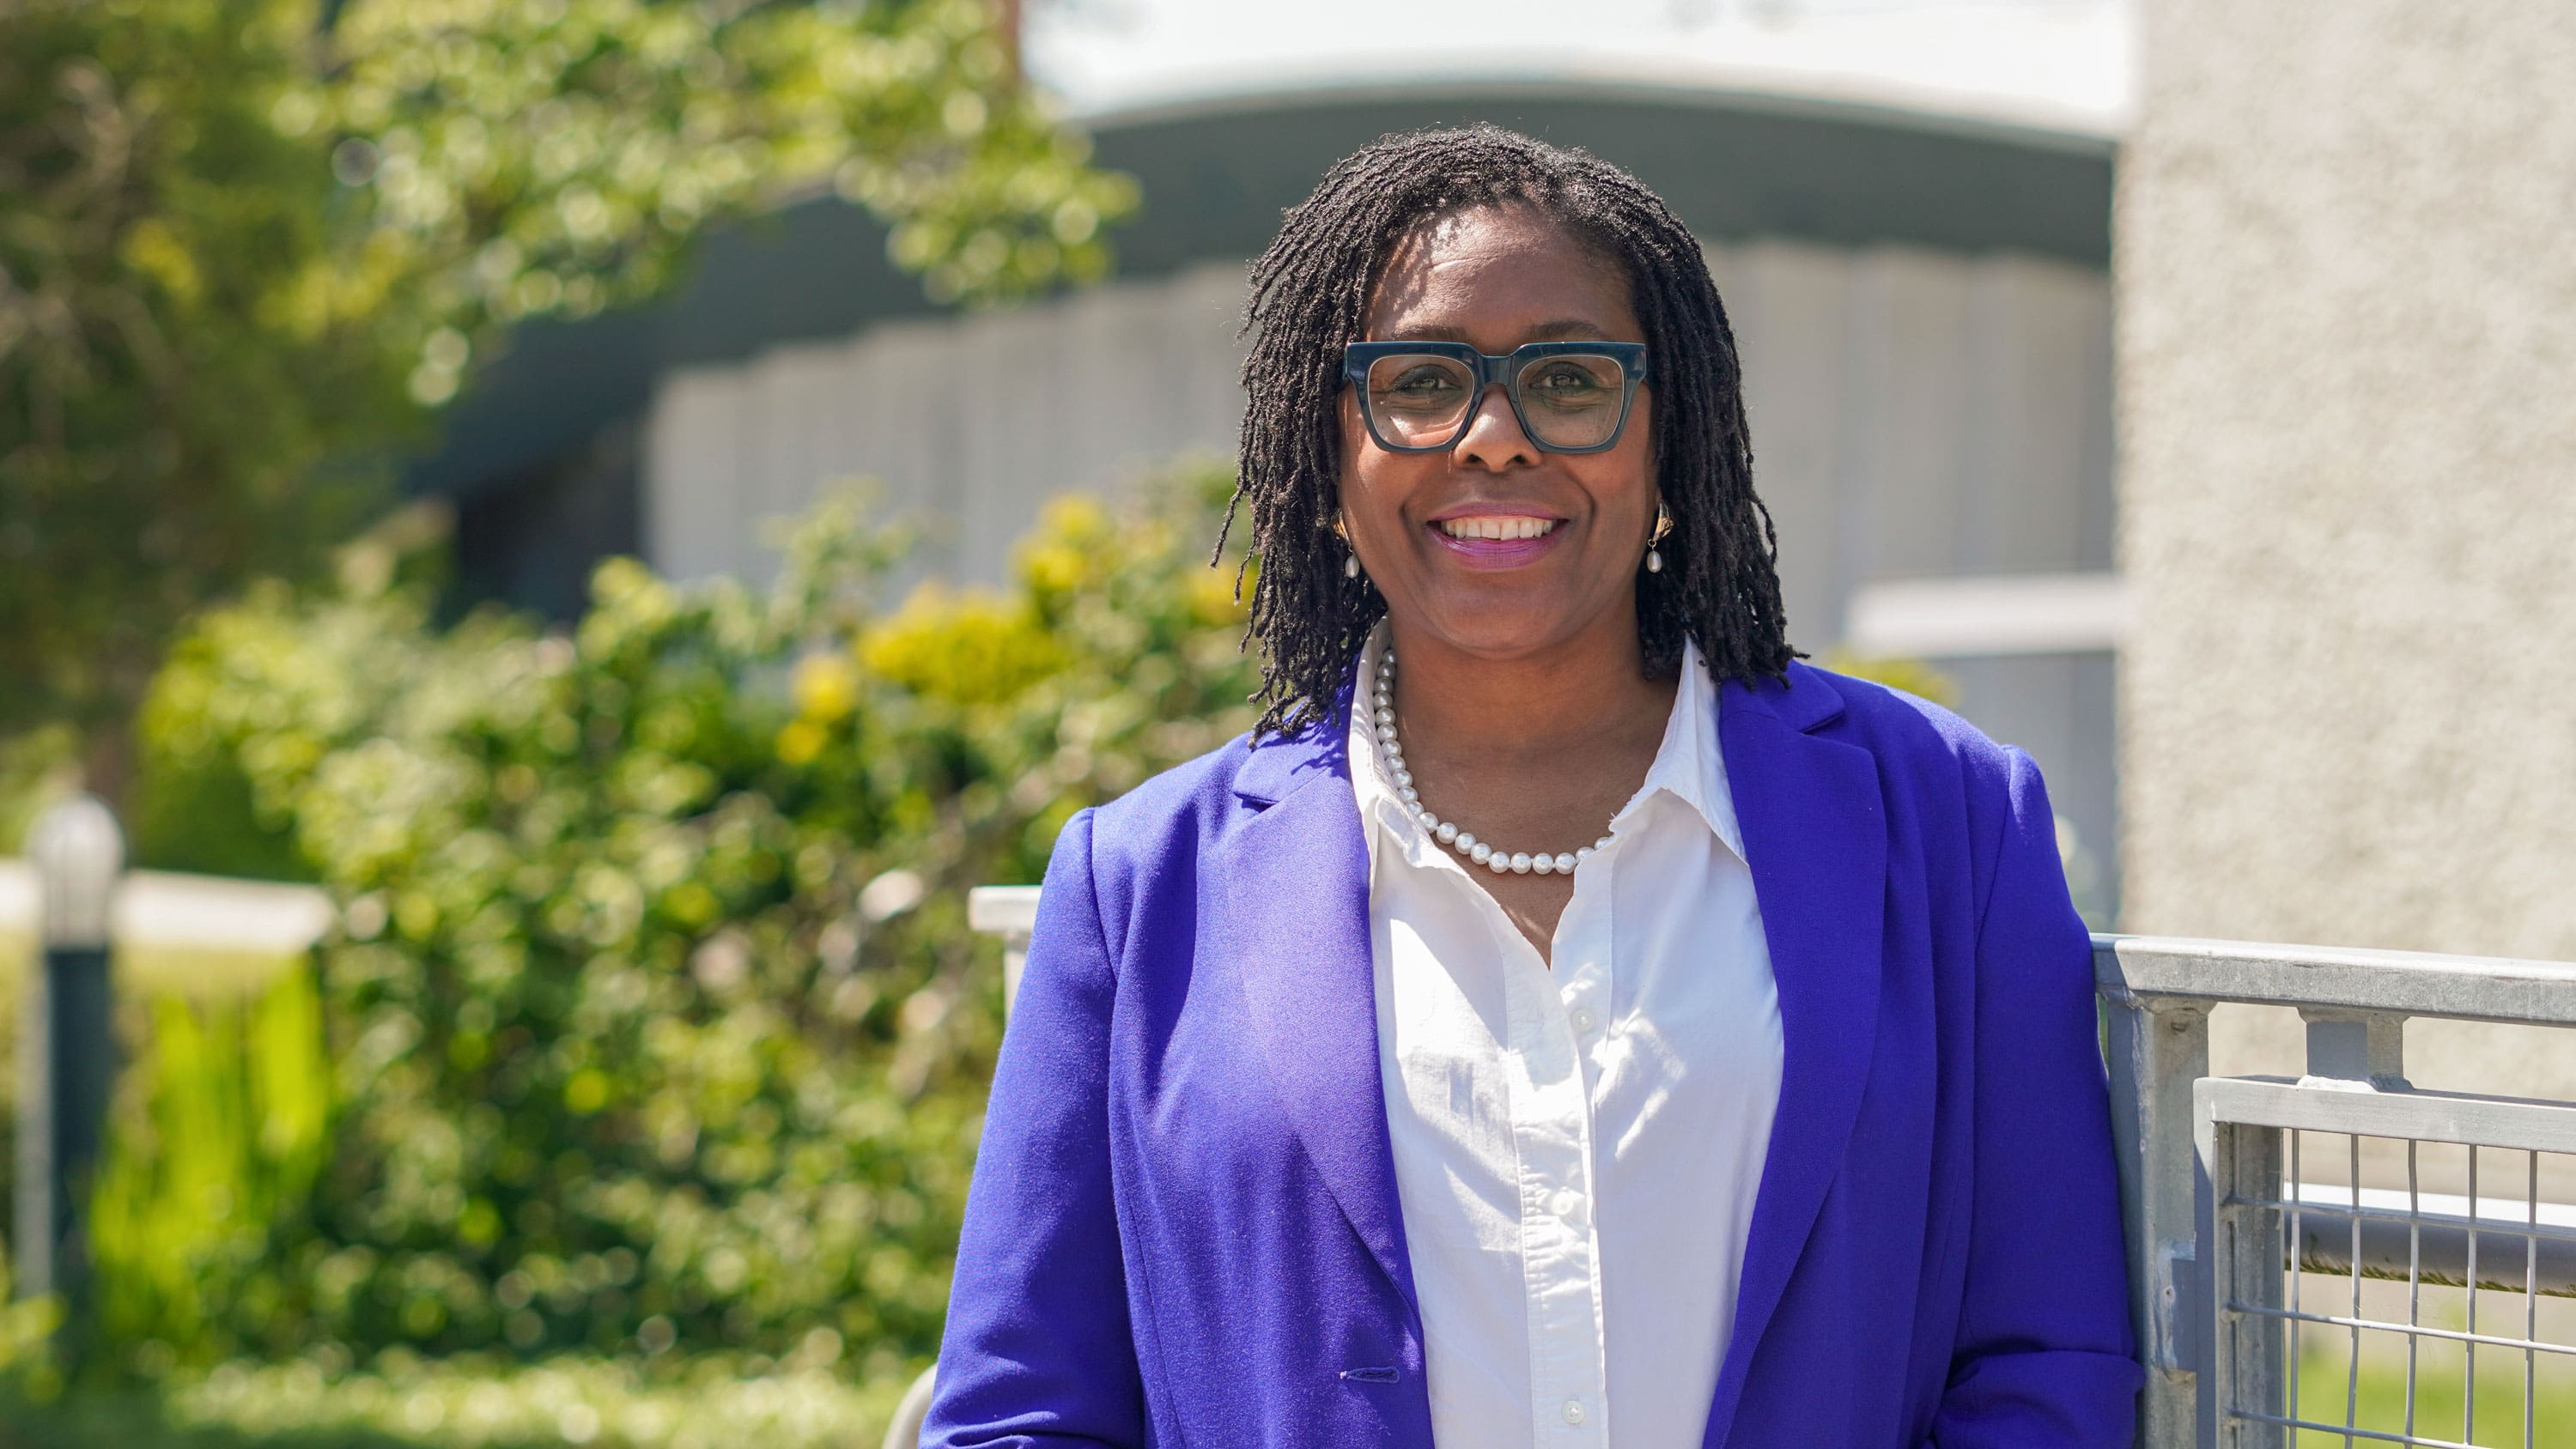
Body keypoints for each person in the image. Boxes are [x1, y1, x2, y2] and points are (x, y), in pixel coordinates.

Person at [921, 125, 2140, 1448]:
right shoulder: (1138, 881)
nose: (1493, 440)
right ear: (1328, 454)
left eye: (1567, 380)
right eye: (1422, 382)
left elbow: (2046, 1359)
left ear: (1671, 441)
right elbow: (1021, 1411)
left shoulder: (1948, 821)